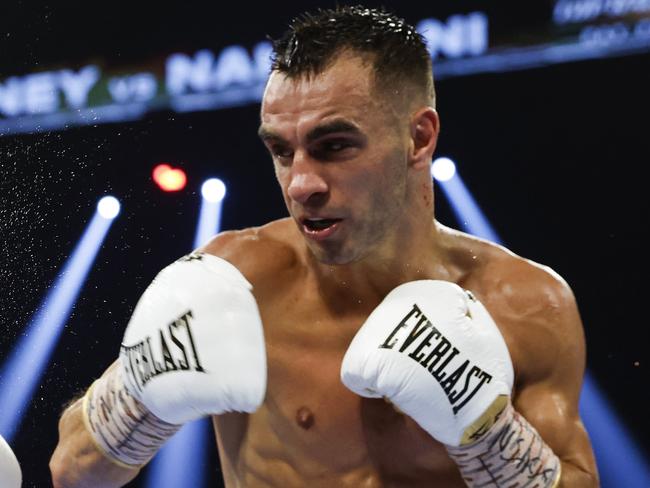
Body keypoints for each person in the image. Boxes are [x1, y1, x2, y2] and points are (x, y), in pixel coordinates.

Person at [49, 5, 599, 487]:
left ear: (419, 137)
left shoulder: (526, 304)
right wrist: (141, 387)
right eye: (282, 152)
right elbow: (74, 474)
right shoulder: (237, 280)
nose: (300, 184)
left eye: (333, 145)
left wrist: (486, 432)